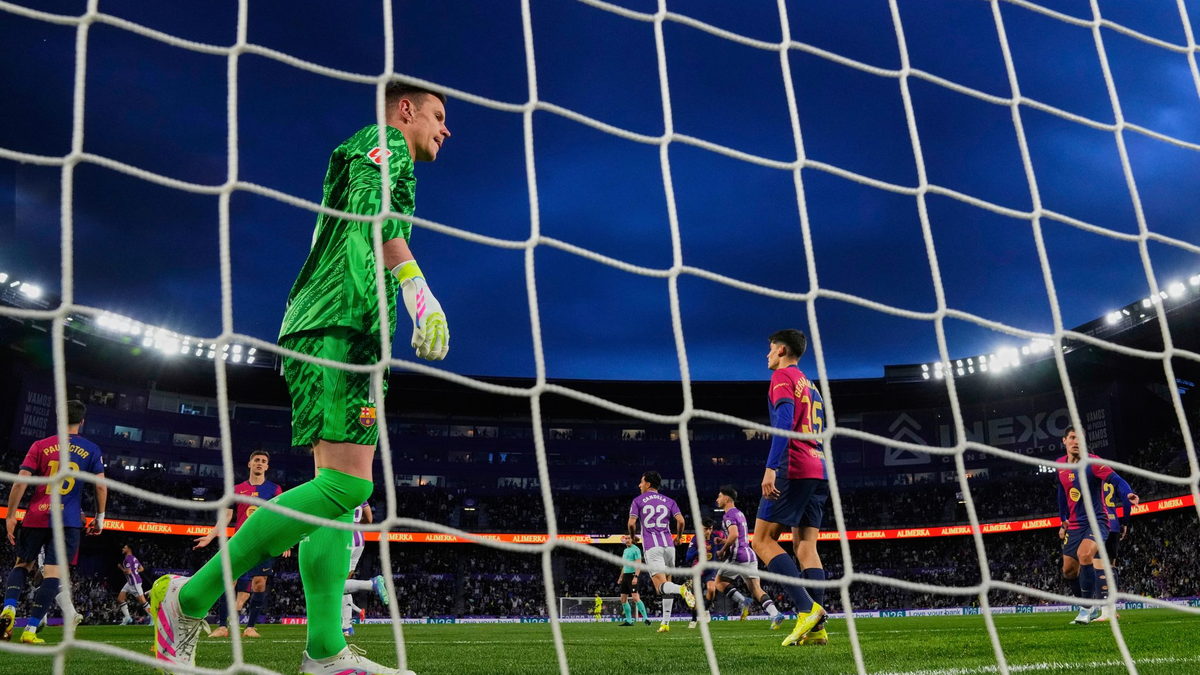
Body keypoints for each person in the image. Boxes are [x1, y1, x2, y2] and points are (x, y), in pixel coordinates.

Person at [150, 81, 451, 675]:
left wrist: (409, 298)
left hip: (355, 330)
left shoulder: (390, 163)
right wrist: (418, 290)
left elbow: (380, 225)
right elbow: (371, 210)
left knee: (336, 500)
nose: (446, 129)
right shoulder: (384, 141)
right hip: (337, 321)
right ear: (405, 109)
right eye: (438, 115)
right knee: (347, 489)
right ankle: (188, 600)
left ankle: (325, 649)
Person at [2, 400, 107, 643]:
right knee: (53, 575)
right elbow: (101, 486)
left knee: (22, 565)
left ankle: (9, 608)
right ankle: (30, 630)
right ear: (81, 422)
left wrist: (11, 515)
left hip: (36, 516)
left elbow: (20, 481)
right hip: (68, 521)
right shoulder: (91, 449)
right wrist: (99, 518)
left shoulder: (40, 445)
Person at [750, 329, 829, 648]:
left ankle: (806, 609)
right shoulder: (811, 385)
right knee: (806, 546)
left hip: (793, 466)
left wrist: (771, 468)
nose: (767, 354)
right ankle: (817, 630)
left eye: (770, 349)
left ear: (782, 350)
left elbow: (784, 423)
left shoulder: (782, 376)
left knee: (762, 540)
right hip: (819, 467)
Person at [194, 450, 290, 639]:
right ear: (249, 464)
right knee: (229, 582)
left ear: (267, 466)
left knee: (259, 584)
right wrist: (210, 536)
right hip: (240, 542)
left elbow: (280, 516)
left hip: (263, 543)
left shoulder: (274, 489)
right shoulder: (237, 489)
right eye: (256, 460)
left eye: (263, 461)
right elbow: (227, 516)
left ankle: (250, 627)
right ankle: (222, 626)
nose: (260, 463)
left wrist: (285, 541)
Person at [1057, 427, 1124, 625]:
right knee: (1069, 570)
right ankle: (1092, 606)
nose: (1076, 441)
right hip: (1075, 524)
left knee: (1086, 555)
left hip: (1098, 520)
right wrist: (1063, 519)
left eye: (1080, 438)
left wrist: (1128, 493)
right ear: (1064, 440)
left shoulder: (1093, 462)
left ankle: (1088, 609)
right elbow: (1061, 491)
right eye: (1072, 437)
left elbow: (1117, 480)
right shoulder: (1060, 465)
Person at [627, 471, 695, 633]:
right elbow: (681, 521)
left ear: (648, 484)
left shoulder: (638, 501)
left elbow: (631, 523)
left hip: (652, 547)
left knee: (661, 587)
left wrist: (633, 537)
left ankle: (682, 589)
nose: (639, 485)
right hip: (669, 547)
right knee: (667, 585)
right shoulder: (669, 501)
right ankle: (665, 623)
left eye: (641, 482)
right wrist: (678, 537)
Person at [714, 486, 784, 629]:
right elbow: (738, 535)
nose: (717, 499)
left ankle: (742, 601)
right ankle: (775, 614)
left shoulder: (728, 515)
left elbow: (734, 535)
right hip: (749, 554)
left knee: (719, 582)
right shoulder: (739, 513)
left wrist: (722, 550)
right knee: (756, 589)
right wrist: (724, 540)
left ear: (726, 499)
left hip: (738, 555)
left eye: (719, 496)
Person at [1095, 471, 1137, 622]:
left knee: (1099, 568)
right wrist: (1124, 522)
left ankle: (1106, 612)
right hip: (1113, 525)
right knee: (1111, 568)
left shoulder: (1090, 476)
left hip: (1098, 524)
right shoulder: (1113, 479)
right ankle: (1112, 609)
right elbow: (1127, 500)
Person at [342, 502, 389, 636]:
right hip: (359, 537)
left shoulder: (339, 490)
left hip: (345, 537)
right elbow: (369, 519)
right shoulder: (361, 494)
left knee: (335, 583)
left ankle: (371, 584)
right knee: (343, 583)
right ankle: (347, 627)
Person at [684, 518, 721, 629]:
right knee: (695, 598)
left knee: (712, 589)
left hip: (710, 570)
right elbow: (688, 557)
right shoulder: (695, 539)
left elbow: (723, 547)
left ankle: (705, 610)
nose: (708, 531)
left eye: (710, 529)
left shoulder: (716, 538)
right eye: (706, 529)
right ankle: (694, 619)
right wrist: (699, 551)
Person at [617, 535, 649, 626]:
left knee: (635, 597)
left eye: (629, 538)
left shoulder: (636, 550)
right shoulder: (625, 550)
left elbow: (639, 565)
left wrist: (636, 577)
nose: (627, 540)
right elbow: (624, 565)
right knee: (623, 599)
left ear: (633, 540)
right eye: (626, 539)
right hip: (625, 576)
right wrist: (621, 577)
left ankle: (646, 618)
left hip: (632, 575)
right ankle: (629, 621)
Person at [117, 545, 151, 625]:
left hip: (134, 583)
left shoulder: (127, 559)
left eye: (124, 548)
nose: (122, 549)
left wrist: (121, 567)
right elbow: (141, 568)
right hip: (129, 582)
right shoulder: (134, 558)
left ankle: (152, 616)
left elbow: (128, 572)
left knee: (143, 601)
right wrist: (135, 571)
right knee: (120, 599)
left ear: (129, 549)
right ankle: (127, 618)